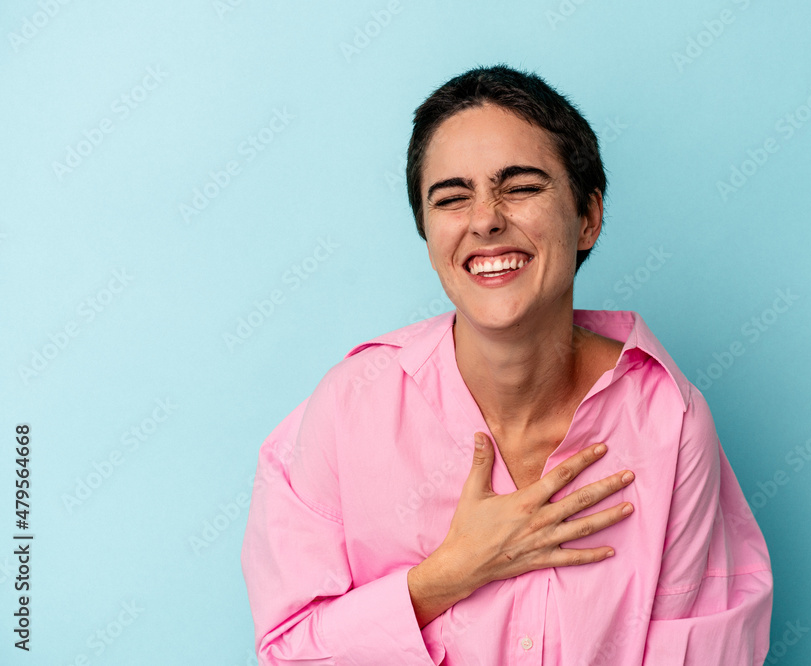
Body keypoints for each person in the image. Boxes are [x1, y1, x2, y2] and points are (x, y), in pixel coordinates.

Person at [241, 63, 773, 665]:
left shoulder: (669, 423)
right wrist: (446, 577)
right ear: (428, 234)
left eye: (520, 187)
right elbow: (288, 651)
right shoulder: (347, 407)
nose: (485, 218)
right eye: (451, 197)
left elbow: (703, 652)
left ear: (588, 217)